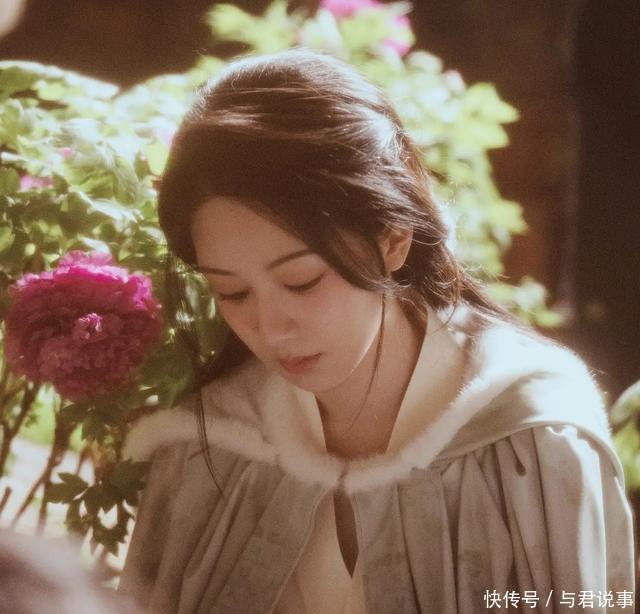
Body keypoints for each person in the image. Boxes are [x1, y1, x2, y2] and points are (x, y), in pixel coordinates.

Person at [119, 48, 635, 613]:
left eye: (302, 281)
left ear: (393, 239)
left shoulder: (531, 436)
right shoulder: (210, 445)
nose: (269, 327)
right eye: (232, 292)